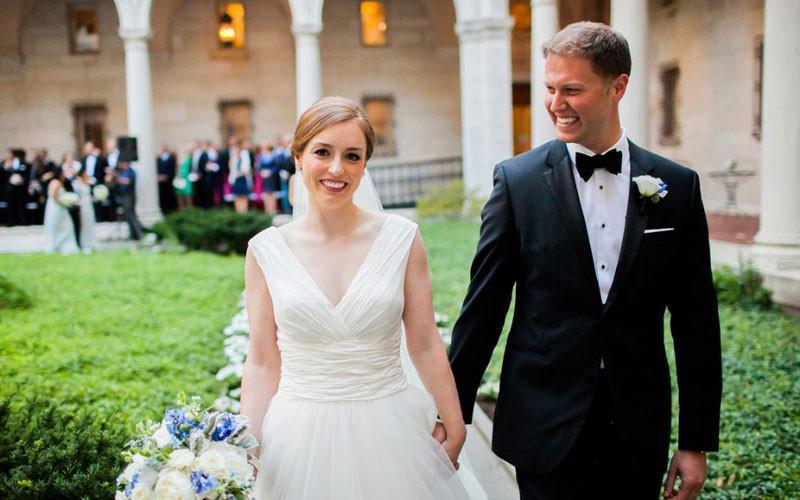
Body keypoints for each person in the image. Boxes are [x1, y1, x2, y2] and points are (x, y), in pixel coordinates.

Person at [448, 22, 722, 500]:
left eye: (572, 89)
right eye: (550, 88)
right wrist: (453, 414)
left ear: (618, 87)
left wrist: (696, 441)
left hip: (637, 427)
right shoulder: (518, 183)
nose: (556, 103)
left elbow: (696, 322)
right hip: (542, 421)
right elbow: (484, 307)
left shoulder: (678, 187)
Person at [240, 97, 485, 499]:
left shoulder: (401, 238)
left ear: (365, 165)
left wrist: (454, 420)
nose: (337, 168)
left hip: (392, 427)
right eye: (323, 152)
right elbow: (264, 360)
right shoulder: (266, 250)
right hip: (297, 435)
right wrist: (246, 443)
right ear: (298, 157)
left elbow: (424, 342)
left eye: (352, 156)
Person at [43, 166, 78, 254]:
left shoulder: (58, 182)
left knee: (67, 226)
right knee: (61, 225)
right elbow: (53, 195)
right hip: (56, 207)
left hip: (59, 207)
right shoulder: (56, 182)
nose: (64, 174)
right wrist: (63, 201)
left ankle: (64, 245)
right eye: (63, 172)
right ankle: (58, 245)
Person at [113, 161, 143, 241]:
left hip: (129, 195)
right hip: (123, 195)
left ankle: (138, 234)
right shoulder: (122, 172)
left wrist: (117, 177)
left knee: (131, 214)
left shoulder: (131, 171)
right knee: (127, 215)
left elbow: (128, 181)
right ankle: (133, 234)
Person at [76, 167, 97, 253]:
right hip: (83, 205)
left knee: (90, 222)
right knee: (84, 224)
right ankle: (85, 243)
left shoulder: (89, 182)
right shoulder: (78, 183)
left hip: (89, 204)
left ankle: (91, 242)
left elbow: (92, 194)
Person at [156, 145, 178, 214]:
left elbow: (173, 170)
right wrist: (159, 176)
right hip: (160, 182)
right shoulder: (158, 159)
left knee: (170, 196)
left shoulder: (172, 158)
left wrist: (166, 176)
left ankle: (171, 210)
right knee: (162, 196)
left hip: (169, 181)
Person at [174, 143, 194, 208]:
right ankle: (182, 209)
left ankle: (189, 209)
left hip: (187, 179)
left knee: (188, 195)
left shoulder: (190, 160)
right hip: (180, 180)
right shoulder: (183, 161)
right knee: (180, 196)